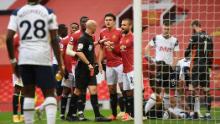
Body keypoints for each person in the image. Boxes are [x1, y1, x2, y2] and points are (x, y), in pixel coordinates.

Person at [6, 0, 64, 124]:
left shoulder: (18, 12)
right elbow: (54, 39)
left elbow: (8, 37)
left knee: (28, 94)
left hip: (24, 58)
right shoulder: (48, 11)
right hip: (42, 57)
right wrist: (60, 64)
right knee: (49, 94)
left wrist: (12, 61)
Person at [68, 20, 111, 122]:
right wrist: (88, 64)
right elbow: (79, 52)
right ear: (92, 27)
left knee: (93, 90)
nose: (96, 28)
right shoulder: (82, 38)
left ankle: (97, 116)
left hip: (89, 70)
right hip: (82, 70)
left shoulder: (90, 38)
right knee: (77, 91)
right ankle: (70, 114)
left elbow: (90, 46)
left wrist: (99, 42)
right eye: (95, 27)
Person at [144, 20, 179, 116]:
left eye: (168, 28)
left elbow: (176, 56)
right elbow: (146, 49)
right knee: (158, 91)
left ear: (170, 29)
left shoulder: (174, 40)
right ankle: (144, 112)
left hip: (169, 68)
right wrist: (151, 60)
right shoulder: (156, 38)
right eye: (165, 28)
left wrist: (173, 67)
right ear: (162, 28)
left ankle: (166, 113)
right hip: (159, 67)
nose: (166, 30)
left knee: (168, 91)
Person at [184, 20, 213, 119]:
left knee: (192, 89)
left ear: (195, 26)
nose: (192, 30)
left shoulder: (195, 36)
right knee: (206, 90)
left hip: (197, 65)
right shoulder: (209, 37)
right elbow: (211, 55)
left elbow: (188, 50)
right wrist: (209, 68)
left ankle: (192, 113)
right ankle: (208, 114)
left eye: (193, 28)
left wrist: (186, 55)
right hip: (206, 67)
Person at [98, 13, 124, 120]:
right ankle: (114, 114)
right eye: (106, 20)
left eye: (110, 20)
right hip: (108, 65)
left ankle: (125, 112)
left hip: (120, 63)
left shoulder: (119, 32)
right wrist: (99, 62)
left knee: (124, 89)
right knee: (111, 90)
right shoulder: (102, 33)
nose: (107, 22)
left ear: (114, 21)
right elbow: (101, 49)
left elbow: (123, 47)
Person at [65, 16, 89, 121]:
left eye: (86, 21)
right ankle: (72, 114)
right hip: (77, 65)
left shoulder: (90, 34)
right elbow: (68, 51)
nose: (84, 23)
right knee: (78, 89)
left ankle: (80, 113)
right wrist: (77, 54)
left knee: (83, 90)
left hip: (88, 65)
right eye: (83, 21)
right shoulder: (75, 35)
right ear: (80, 23)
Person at [119, 18, 134, 121]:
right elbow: (120, 52)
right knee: (127, 92)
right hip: (125, 69)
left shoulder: (133, 37)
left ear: (130, 26)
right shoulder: (122, 38)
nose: (122, 26)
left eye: (124, 25)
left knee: (134, 91)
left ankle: (136, 114)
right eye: (121, 25)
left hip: (132, 69)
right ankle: (128, 114)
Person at [12, 34, 24, 123]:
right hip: (18, 67)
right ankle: (15, 115)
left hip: (26, 67)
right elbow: (11, 51)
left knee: (24, 91)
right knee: (17, 90)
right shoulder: (16, 37)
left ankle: (23, 115)